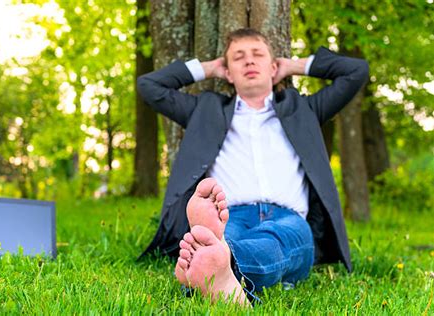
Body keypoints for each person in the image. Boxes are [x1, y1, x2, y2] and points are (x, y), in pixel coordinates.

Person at [137, 28, 369, 305]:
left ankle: (221, 266)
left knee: (275, 241)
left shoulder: (304, 109)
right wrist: (209, 68)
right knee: (226, 237)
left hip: (290, 217)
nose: (249, 61)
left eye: (258, 55)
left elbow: (356, 71)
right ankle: (221, 266)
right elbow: (148, 86)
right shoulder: (205, 111)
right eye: (238, 57)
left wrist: (293, 65)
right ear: (228, 73)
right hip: (229, 215)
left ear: (273, 68)